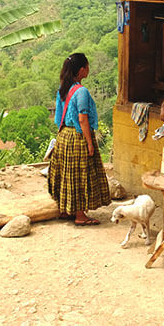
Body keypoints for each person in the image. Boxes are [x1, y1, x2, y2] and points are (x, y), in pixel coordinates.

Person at [48, 53, 111, 225]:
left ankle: (65, 210)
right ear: (82, 69)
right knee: (81, 175)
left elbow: (58, 117)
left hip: (63, 136)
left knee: (66, 174)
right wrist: (90, 142)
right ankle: (80, 216)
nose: (89, 69)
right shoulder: (81, 91)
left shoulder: (63, 88)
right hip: (77, 137)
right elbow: (82, 119)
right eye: (88, 66)